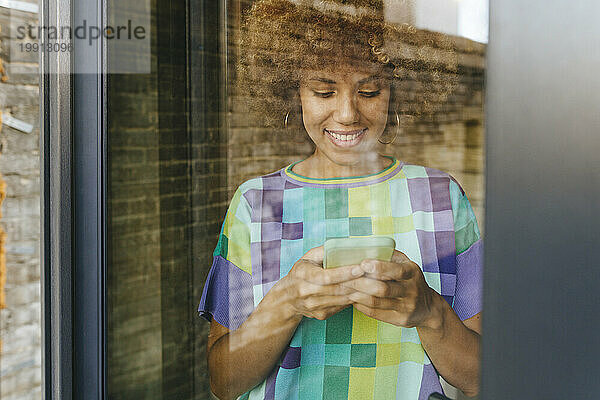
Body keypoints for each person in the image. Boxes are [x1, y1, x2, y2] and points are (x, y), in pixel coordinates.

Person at [198, 1, 483, 399]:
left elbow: (481, 377)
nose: (347, 114)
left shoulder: (439, 197)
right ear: (292, 91)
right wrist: (286, 304)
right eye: (323, 91)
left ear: (395, 92)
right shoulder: (256, 203)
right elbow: (223, 383)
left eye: (369, 90)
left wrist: (429, 312)